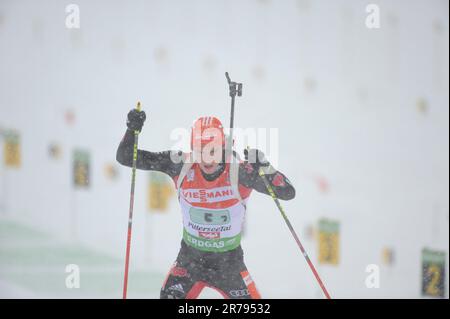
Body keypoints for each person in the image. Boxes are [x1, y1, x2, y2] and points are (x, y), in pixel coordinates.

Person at [116, 109, 296, 299]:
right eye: (199, 151)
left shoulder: (240, 171)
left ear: (224, 147)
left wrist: (266, 168)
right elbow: (126, 157)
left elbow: (287, 192)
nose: (206, 158)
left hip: (229, 267)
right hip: (188, 264)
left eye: (212, 150)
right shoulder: (180, 164)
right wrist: (132, 130)